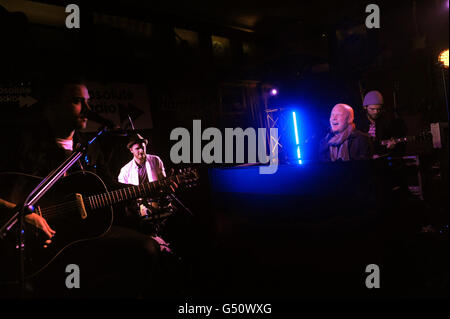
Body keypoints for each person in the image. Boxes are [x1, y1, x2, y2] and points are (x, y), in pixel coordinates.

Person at [0, 78, 175, 298]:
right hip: (32, 243)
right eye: (77, 101)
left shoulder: (87, 148)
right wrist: (22, 214)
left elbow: (110, 186)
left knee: (147, 249)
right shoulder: (22, 143)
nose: (88, 109)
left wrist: (150, 188)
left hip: (77, 236)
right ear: (52, 105)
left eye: (88, 101)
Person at [357, 90, 407, 158]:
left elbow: (398, 142)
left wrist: (393, 145)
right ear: (365, 107)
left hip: (382, 158)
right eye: (372, 109)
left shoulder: (388, 122)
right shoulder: (359, 122)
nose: (376, 112)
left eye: (378, 109)